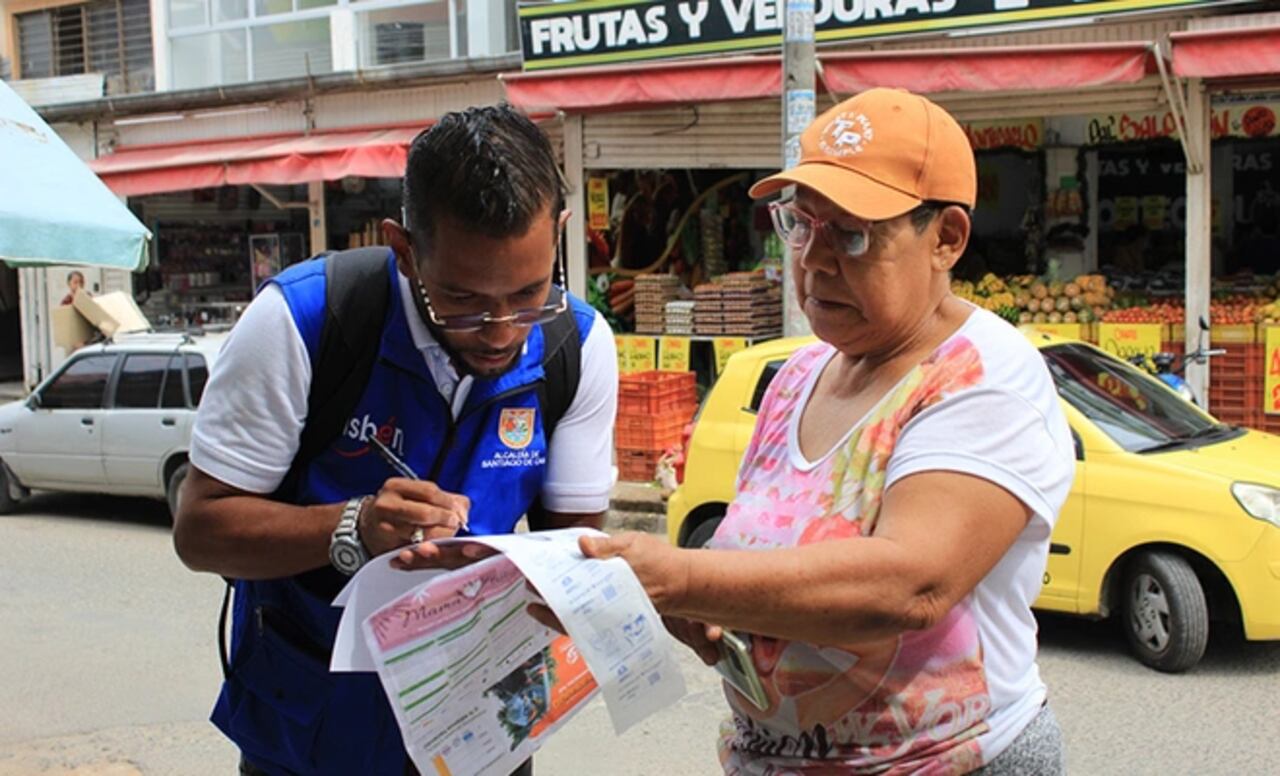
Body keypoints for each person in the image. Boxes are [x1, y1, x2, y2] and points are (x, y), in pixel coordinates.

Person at [561, 88, 1075, 773]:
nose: (815, 260)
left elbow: (909, 585)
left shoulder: (985, 377)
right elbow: (765, 563)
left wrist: (681, 576)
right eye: (800, 224)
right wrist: (700, 608)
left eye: (854, 233)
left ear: (946, 238)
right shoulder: (798, 376)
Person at [172, 104, 618, 775]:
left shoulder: (577, 346)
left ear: (558, 234)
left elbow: (574, 552)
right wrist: (352, 526)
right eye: (462, 301)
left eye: (528, 293)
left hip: (481, 737)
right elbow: (201, 531)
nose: (501, 331)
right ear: (404, 250)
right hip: (312, 736)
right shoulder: (305, 321)